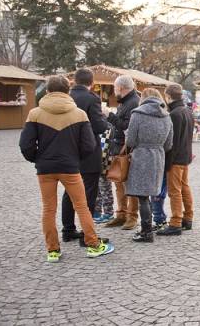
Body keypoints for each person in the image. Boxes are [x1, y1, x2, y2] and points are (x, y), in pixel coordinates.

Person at [19, 75, 114, 262]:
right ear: (67, 90)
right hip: (70, 167)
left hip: (45, 168)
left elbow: (26, 145)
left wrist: (38, 159)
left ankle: (53, 250)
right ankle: (93, 245)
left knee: (48, 209)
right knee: (82, 206)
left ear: (47, 91)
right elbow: (89, 145)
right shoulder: (79, 114)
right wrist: (75, 159)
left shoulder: (35, 113)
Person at [59, 68, 109, 242]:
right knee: (89, 193)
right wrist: (105, 119)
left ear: (74, 81)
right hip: (88, 152)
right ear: (92, 83)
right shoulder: (91, 99)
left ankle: (68, 229)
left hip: (67, 150)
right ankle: (87, 234)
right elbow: (98, 126)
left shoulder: (66, 97)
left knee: (69, 191)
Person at [124, 88, 173, 243]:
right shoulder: (166, 115)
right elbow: (169, 144)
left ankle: (146, 232)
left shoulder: (137, 114)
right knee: (150, 193)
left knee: (142, 196)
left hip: (141, 156)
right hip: (158, 157)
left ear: (143, 98)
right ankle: (148, 227)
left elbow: (130, 141)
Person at [157, 83, 195, 236]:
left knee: (174, 191)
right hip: (185, 156)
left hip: (176, 158)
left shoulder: (174, 114)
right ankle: (188, 217)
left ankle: (176, 222)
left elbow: (173, 142)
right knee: (184, 188)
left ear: (168, 96)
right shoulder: (187, 111)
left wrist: (168, 162)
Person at [104, 75, 140, 230]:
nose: (114, 90)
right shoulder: (125, 101)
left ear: (120, 88)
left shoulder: (133, 102)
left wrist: (109, 116)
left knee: (129, 184)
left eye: (114, 87)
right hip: (118, 147)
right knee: (119, 182)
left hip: (127, 149)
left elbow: (127, 126)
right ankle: (121, 214)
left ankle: (132, 216)